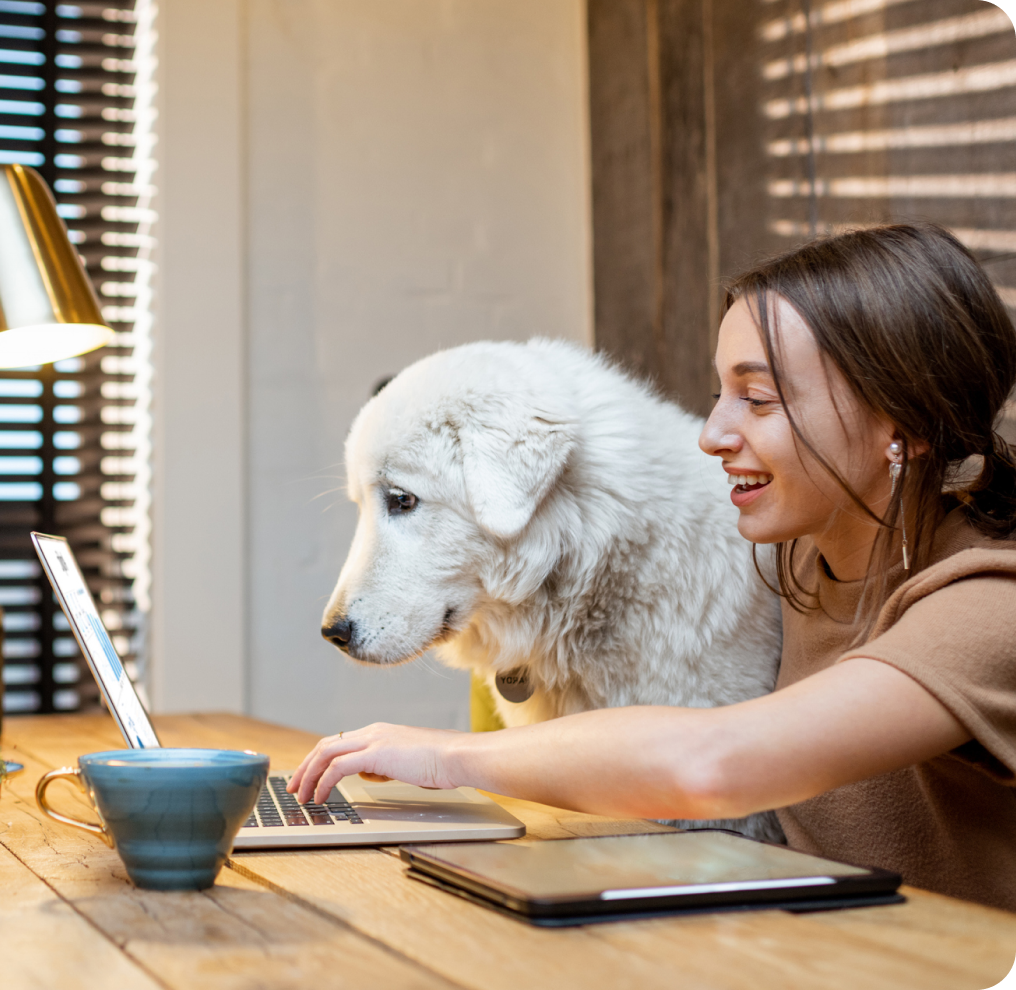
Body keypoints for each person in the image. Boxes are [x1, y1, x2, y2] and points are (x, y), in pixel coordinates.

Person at [290, 222, 1016, 911]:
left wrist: (446, 758)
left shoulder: (987, 605)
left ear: (905, 428)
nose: (713, 434)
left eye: (757, 399)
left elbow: (712, 763)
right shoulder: (798, 553)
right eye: (718, 394)